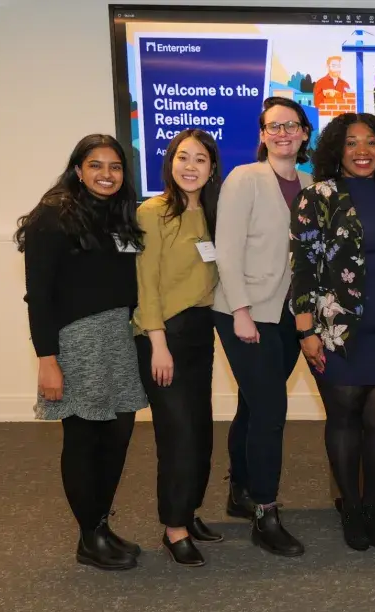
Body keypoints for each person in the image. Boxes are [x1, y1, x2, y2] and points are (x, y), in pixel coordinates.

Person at [15, 134, 148, 571]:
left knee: (118, 435)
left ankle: (101, 524)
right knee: (84, 438)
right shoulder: (52, 217)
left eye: (114, 167)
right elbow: (40, 295)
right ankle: (88, 537)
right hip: (77, 341)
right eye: (96, 165)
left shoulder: (118, 214)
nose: (106, 175)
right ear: (78, 169)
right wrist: (47, 360)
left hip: (118, 335)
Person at [291, 112, 375, 552]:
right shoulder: (319, 196)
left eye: (370, 142)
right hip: (338, 327)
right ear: (336, 151)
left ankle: (372, 506)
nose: (362, 151)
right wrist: (305, 329)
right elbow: (304, 265)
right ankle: (349, 505)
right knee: (344, 418)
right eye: (351, 143)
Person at [212, 97, 313, 557]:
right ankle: (265, 513)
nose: (283, 133)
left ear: (305, 133)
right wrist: (240, 311)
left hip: (291, 315)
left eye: (291, 125)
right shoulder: (244, 178)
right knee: (271, 409)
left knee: (253, 405)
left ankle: (240, 490)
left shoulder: (312, 183)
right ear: (262, 134)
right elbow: (226, 249)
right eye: (273, 126)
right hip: (245, 310)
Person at [132, 129, 222, 567]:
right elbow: (144, 281)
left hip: (199, 331)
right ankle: (174, 528)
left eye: (200, 159)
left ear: (211, 167)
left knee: (201, 430)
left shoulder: (209, 212)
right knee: (178, 433)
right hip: (161, 335)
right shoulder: (153, 212)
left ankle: (189, 510)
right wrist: (157, 343)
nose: (190, 166)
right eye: (182, 157)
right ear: (169, 163)